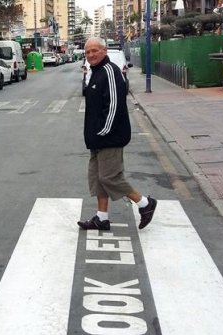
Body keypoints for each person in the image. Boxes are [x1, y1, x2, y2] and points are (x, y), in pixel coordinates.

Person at [77, 37, 157, 231]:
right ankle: (101, 218)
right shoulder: (95, 73)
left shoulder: (110, 72)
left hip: (109, 136)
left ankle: (145, 204)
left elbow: (114, 104)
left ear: (104, 51)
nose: (91, 55)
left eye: (94, 50)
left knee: (110, 177)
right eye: (87, 52)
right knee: (98, 178)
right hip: (97, 137)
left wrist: (104, 131)